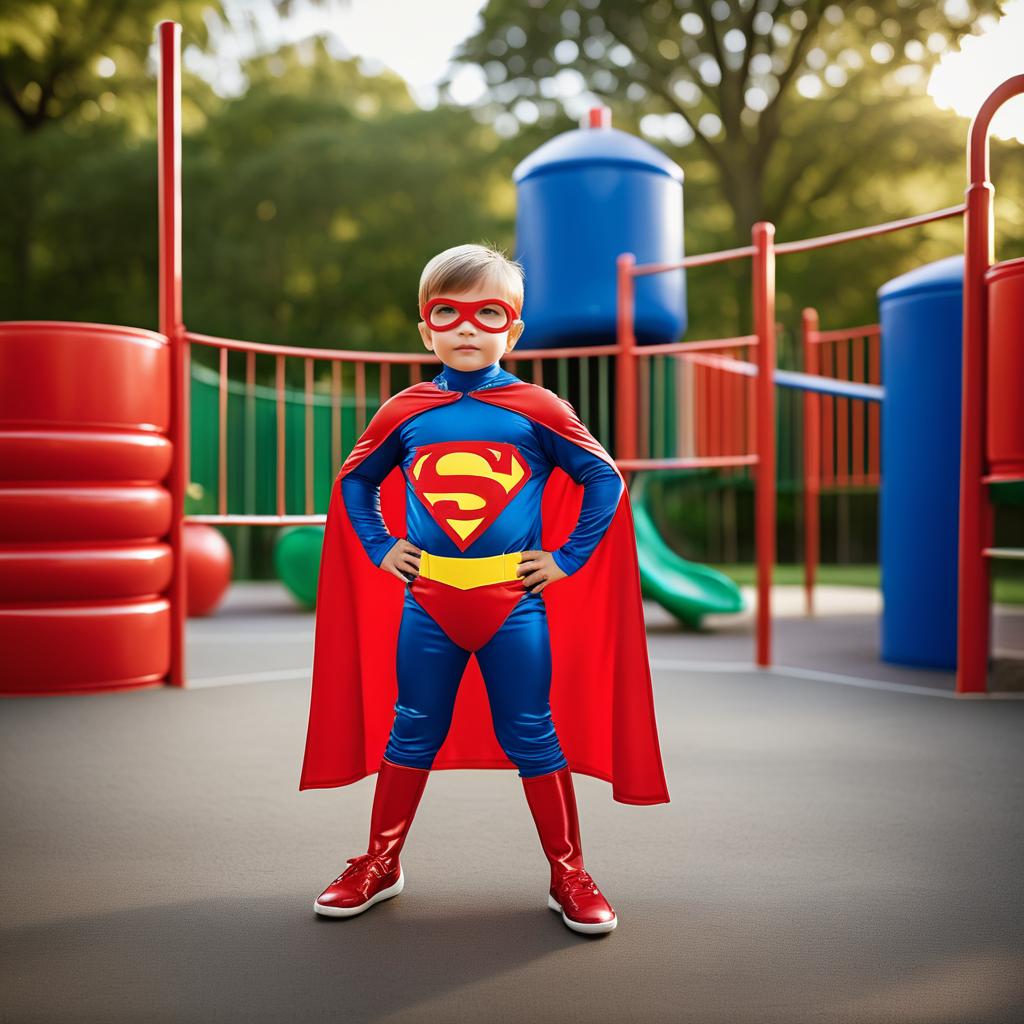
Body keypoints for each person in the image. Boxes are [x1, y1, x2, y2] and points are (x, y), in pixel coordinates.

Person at [301, 243, 669, 935]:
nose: (467, 328)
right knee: (411, 731)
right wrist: (380, 547)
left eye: (487, 313)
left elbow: (604, 480)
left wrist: (566, 558)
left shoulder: (538, 407)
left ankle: (569, 873)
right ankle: (379, 862)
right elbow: (355, 481)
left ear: (513, 328)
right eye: (449, 312)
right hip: (428, 605)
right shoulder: (404, 410)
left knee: (534, 734)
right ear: (426, 329)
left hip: (513, 607)